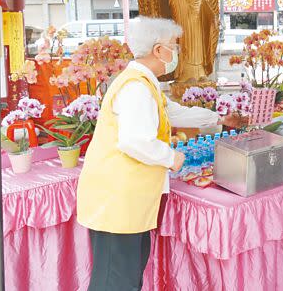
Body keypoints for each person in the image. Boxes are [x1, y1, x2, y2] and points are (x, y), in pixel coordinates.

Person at [77, 17, 243, 291]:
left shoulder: (144, 82)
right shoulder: (136, 88)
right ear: (157, 50)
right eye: (173, 46)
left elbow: (174, 112)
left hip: (129, 201)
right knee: (115, 281)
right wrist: (173, 158)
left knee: (128, 278)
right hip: (116, 200)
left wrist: (219, 119)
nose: (175, 53)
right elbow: (135, 141)